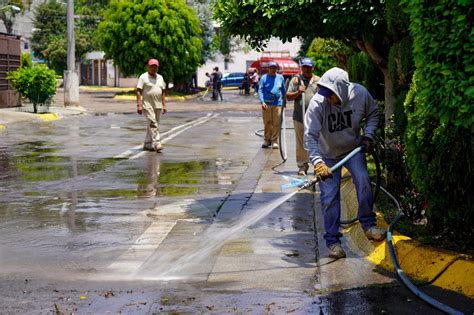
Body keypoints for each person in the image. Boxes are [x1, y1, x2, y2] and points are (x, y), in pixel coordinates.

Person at [304, 67, 386, 259]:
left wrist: (368, 135)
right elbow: (309, 137)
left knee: (363, 181)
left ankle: (368, 225)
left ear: (341, 90)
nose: (327, 97)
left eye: (331, 94)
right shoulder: (318, 103)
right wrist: (317, 163)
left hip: (352, 150)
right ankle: (333, 242)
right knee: (330, 197)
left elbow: (374, 113)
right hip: (327, 155)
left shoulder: (360, 94)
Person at [286, 57, 320, 176]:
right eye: (304, 67)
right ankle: (302, 166)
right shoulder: (296, 80)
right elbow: (288, 97)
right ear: (301, 68)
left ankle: (318, 165)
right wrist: (298, 92)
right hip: (299, 117)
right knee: (301, 142)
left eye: (309, 67)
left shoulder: (318, 80)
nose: (306, 69)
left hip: (315, 118)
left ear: (312, 67)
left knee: (317, 141)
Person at [136, 58, 167, 152]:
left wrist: (164, 105)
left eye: (155, 66)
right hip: (147, 105)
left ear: (158, 67)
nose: (154, 68)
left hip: (158, 105)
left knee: (153, 124)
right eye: (152, 66)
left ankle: (147, 144)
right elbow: (138, 91)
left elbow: (163, 92)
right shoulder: (143, 77)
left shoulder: (160, 77)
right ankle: (157, 143)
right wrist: (139, 104)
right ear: (148, 66)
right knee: (153, 123)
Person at [258, 61, 286, 149]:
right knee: (267, 123)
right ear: (268, 69)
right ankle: (267, 140)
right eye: (271, 68)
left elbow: (283, 90)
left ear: (276, 69)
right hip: (266, 104)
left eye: (274, 68)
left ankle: (274, 140)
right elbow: (260, 90)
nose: (273, 69)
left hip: (277, 104)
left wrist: (284, 102)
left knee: (276, 123)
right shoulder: (264, 78)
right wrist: (262, 102)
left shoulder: (280, 78)